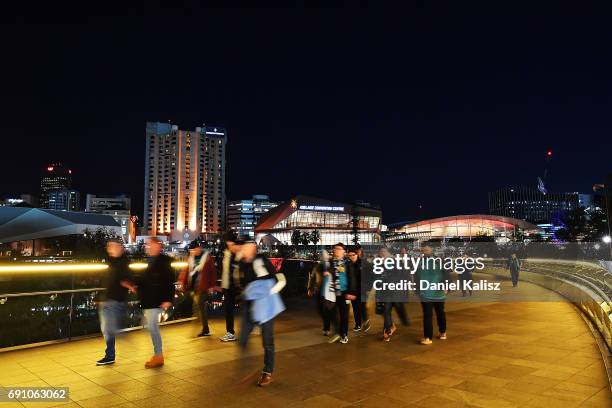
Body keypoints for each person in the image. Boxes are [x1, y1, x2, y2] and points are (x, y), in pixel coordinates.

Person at [238, 238, 286, 387]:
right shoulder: (241, 263)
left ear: (253, 247)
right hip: (250, 305)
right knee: (242, 338)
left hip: (265, 305)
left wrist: (271, 292)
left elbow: (279, 278)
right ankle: (248, 366)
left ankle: (268, 371)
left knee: (267, 340)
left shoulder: (260, 260)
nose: (244, 250)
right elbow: (244, 285)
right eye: (243, 247)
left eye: (247, 247)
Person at [135, 237, 175, 368]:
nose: (147, 247)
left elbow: (169, 282)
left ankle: (159, 356)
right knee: (150, 326)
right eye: (147, 245)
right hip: (150, 299)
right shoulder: (150, 260)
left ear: (158, 246)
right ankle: (161, 351)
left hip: (157, 300)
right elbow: (146, 279)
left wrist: (168, 299)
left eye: (150, 245)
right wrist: (135, 284)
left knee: (152, 326)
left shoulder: (164, 261)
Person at [96, 239, 135, 365]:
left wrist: (128, 284)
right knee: (105, 329)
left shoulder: (124, 262)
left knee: (110, 328)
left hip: (116, 300)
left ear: (119, 248)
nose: (109, 249)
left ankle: (112, 353)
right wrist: (98, 296)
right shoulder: (110, 262)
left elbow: (127, 278)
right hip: (106, 299)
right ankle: (110, 354)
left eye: (111, 246)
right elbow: (105, 281)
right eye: (108, 247)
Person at [178, 240, 218, 337]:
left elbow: (213, 273)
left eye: (194, 249)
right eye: (191, 250)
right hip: (192, 287)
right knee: (197, 307)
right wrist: (182, 282)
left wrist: (212, 285)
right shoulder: (190, 258)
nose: (193, 252)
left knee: (199, 305)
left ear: (198, 248)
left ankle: (202, 327)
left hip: (203, 287)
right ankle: (203, 327)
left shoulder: (207, 258)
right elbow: (185, 271)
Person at [415, 243, 448, 345]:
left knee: (440, 313)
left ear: (431, 250)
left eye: (426, 250)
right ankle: (428, 337)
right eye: (423, 250)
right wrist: (417, 290)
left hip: (438, 292)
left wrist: (446, 286)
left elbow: (446, 273)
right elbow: (417, 276)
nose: (424, 252)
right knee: (428, 315)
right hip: (425, 293)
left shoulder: (439, 261)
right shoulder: (419, 262)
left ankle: (442, 332)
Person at [377, 247, 409, 342]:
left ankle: (387, 331)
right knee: (386, 312)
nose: (382, 254)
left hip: (394, 291)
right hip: (385, 292)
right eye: (381, 252)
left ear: (388, 253)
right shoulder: (380, 264)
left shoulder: (396, 262)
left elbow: (404, 276)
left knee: (387, 311)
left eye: (384, 252)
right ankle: (388, 330)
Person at [324, 243, 353, 344]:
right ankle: (338, 331)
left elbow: (351, 278)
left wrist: (350, 292)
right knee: (331, 312)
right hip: (332, 292)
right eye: (335, 248)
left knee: (344, 314)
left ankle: (344, 334)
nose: (336, 250)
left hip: (344, 292)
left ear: (344, 251)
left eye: (338, 248)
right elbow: (328, 272)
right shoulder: (331, 262)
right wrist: (327, 272)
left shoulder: (347, 263)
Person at [220, 231, 241, 342]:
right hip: (228, 286)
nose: (230, 246)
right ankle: (230, 332)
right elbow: (225, 271)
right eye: (228, 244)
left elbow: (238, 272)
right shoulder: (227, 253)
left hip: (236, 286)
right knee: (228, 309)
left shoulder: (237, 255)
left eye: (232, 244)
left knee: (245, 307)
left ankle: (231, 333)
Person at [307, 250, 332, 336]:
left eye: (325, 255)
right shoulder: (317, 266)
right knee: (320, 309)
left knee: (327, 310)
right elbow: (313, 277)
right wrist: (310, 288)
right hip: (319, 289)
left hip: (329, 291)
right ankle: (327, 321)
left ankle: (327, 328)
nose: (324, 257)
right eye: (322, 256)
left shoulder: (330, 265)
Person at [347, 248, 370, 333]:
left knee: (362, 307)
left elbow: (369, 277)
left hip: (362, 289)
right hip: (353, 290)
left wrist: (368, 288)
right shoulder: (348, 265)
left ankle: (366, 321)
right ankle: (358, 325)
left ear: (357, 254)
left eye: (353, 255)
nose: (351, 257)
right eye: (350, 255)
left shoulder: (364, 263)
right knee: (355, 308)